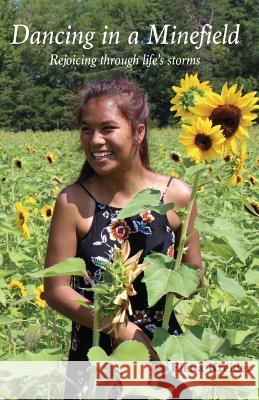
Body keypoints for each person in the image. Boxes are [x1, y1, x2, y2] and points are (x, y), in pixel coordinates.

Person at [44, 79, 202, 363]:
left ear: (138, 132)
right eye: (86, 129)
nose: (95, 140)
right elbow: (56, 290)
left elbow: (193, 276)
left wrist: (184, 280)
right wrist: (121, 327)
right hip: (95, 349)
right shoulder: (73, 201)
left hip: (162, 346)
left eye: (107, 128)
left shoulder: (177, 196)